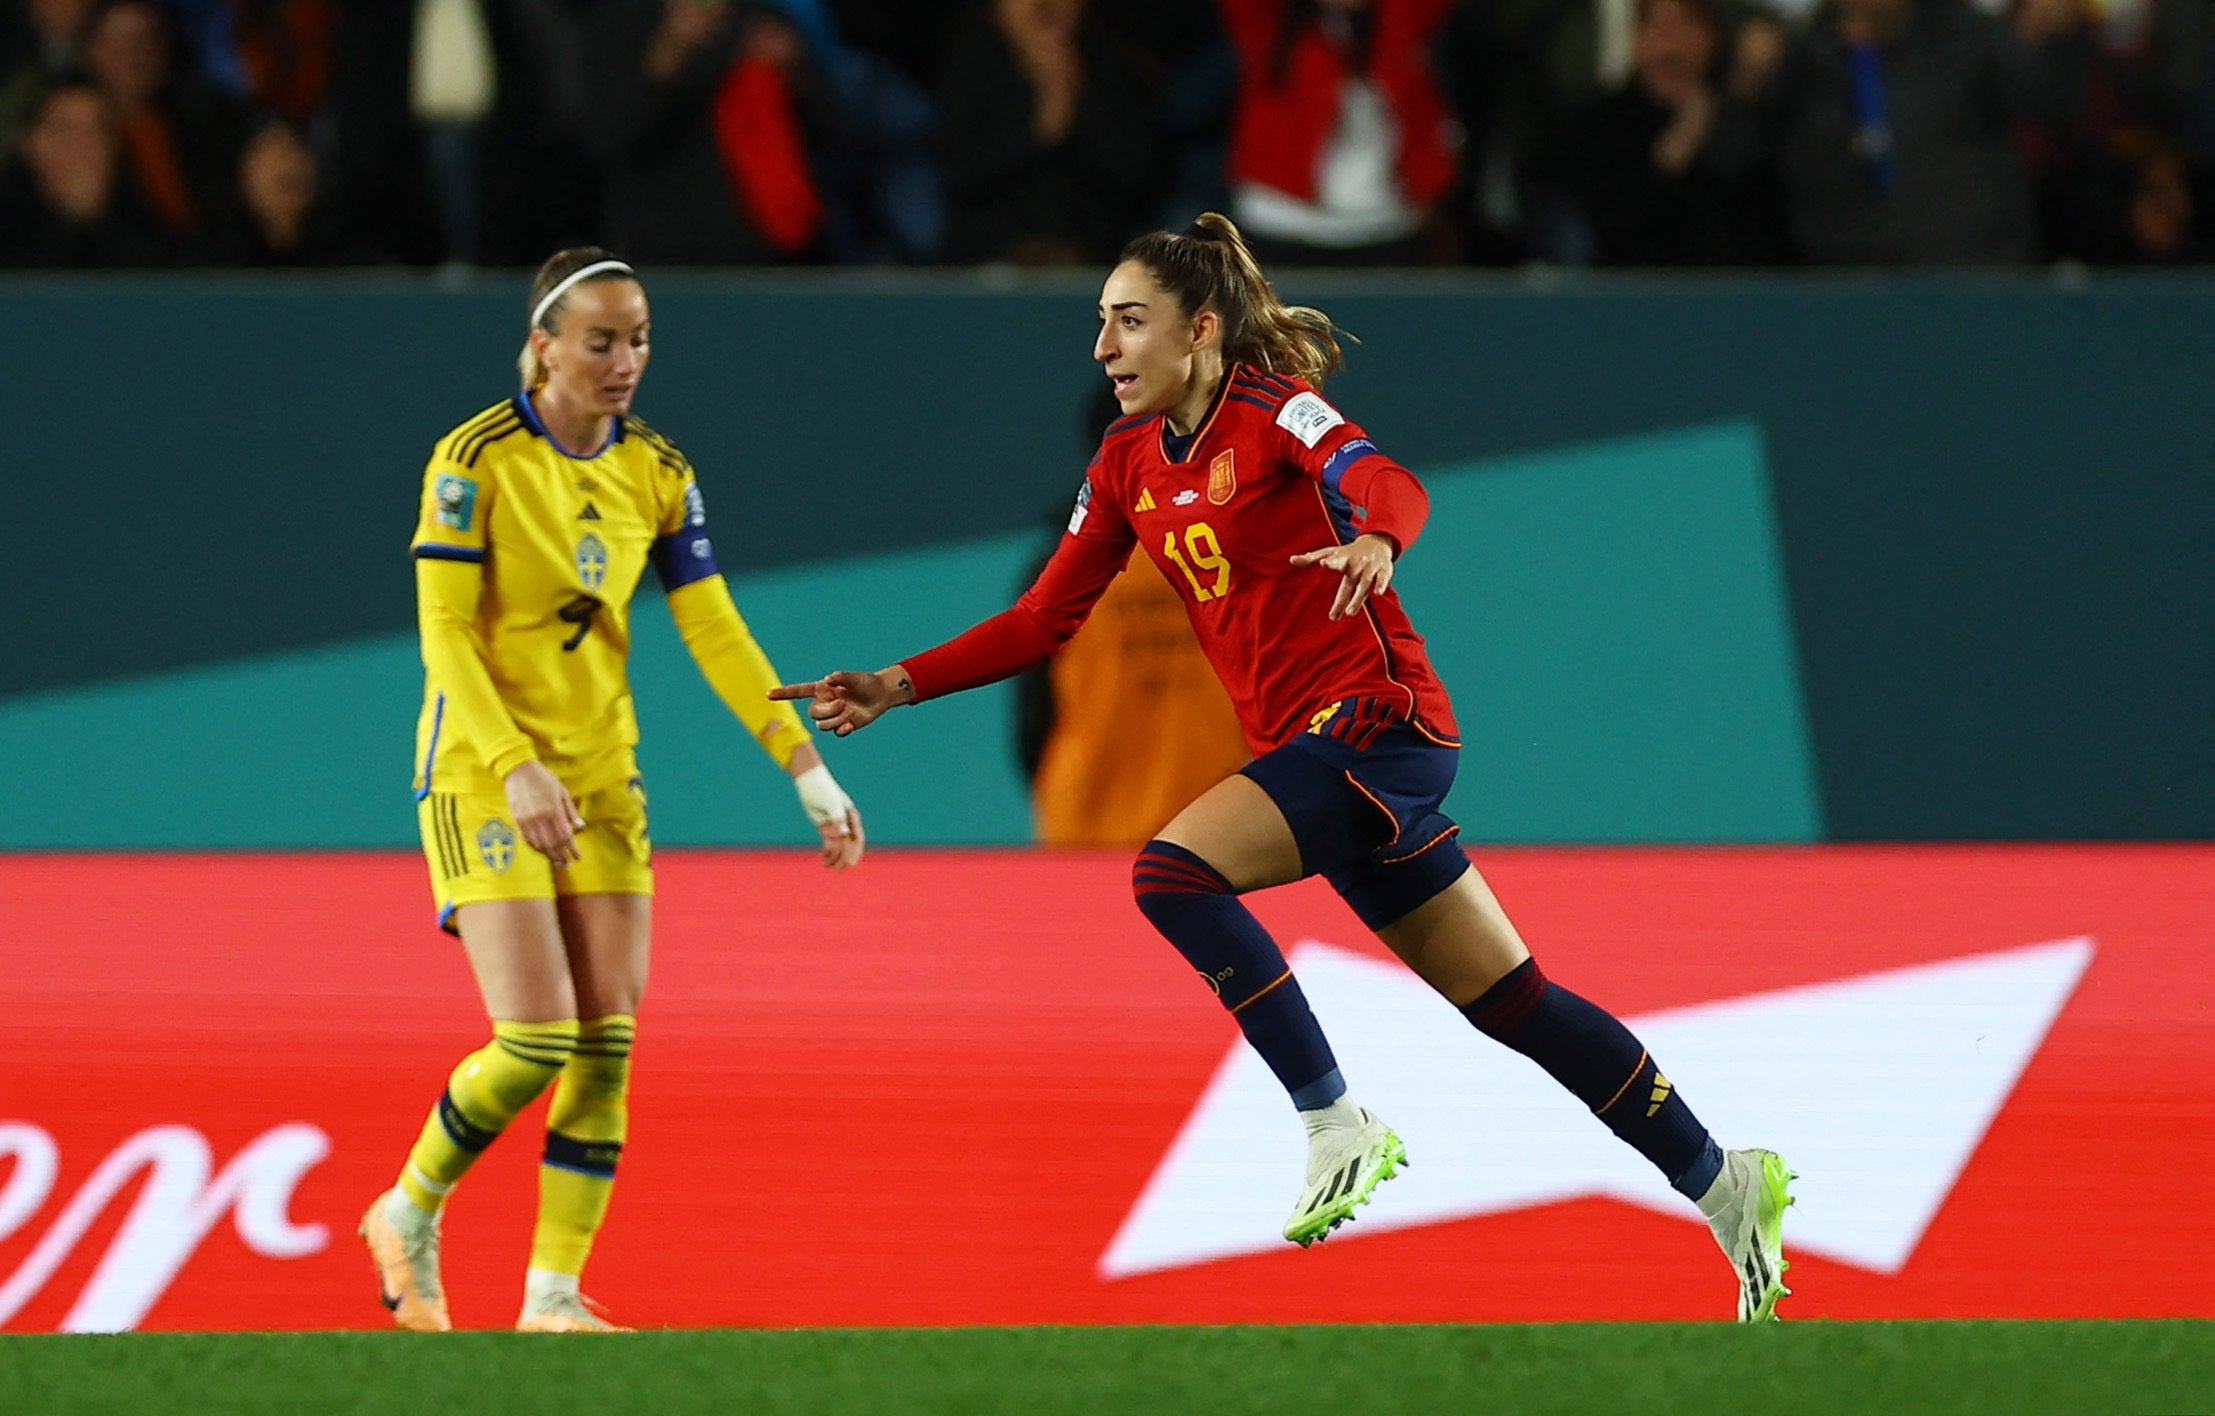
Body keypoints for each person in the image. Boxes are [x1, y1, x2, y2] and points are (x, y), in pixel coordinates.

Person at [772, 213, 1794, 1321]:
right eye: (1100, 326)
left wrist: (1378, 540)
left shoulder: (1272, 416)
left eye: (1129, 323)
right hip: (1319, 752)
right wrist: (896, 681)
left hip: (1378, 725)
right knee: (1515, 1001)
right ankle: (1722, 1180)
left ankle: (1332, 1119)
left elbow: (1386, 476)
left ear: (1199, 329)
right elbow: (1041, 619)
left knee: (1170, 873)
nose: (1105, 349)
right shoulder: (1122, 465)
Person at [362, 247, 867, 1334]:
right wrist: (513, 765)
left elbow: (713, 627)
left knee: (607, 1041)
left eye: (638, 339)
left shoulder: (660, 471)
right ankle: (407, 1208)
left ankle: (550, 1297)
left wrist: (803, 765)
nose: (624, 360)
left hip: (601, 776)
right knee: (537, 1039)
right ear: (543, 347)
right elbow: (443, 634)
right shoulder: (474, 458)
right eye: (601, 340)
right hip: (486, 770)